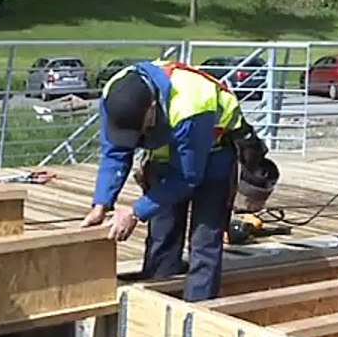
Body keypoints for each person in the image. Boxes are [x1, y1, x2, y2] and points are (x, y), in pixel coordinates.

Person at [80, 59, 266, 302]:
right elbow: (115, 152)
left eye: (138, 129)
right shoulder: (114, 93)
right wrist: (101, 204)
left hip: (213, 153)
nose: (134, 136)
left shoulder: (190, 105)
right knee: (163, 233)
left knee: (204, 239)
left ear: (152, 107)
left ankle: (198, 308)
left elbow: (188, 178)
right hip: (166, 157)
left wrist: (135, 212)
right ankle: (156, 299)